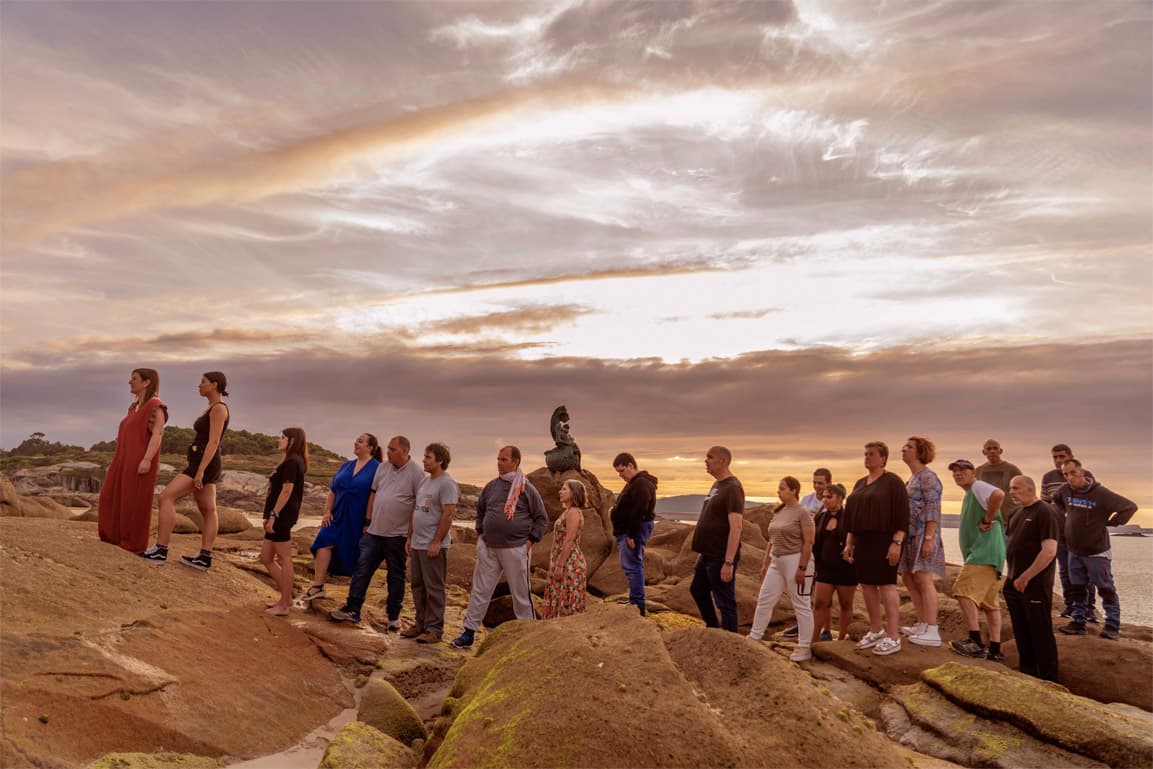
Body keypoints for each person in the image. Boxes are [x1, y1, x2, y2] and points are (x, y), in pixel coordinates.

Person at [451, 446, 548, 648]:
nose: (499, 463)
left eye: (503, 459)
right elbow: (481, 510)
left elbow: (541, 518)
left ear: (515, 462)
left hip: (515, 548)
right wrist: (480, 533)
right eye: (498, 459)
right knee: (480, 590)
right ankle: (468, 633)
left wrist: (530, 541)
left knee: (521, 594)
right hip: (489, 547)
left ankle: (527, 634)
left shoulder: (527, 489)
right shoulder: (491, 487)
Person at [330, 436, 424, 628]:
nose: (388, 452)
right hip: (374, 532)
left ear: (405, 451)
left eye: (392, 449)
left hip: (397, 536)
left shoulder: (417, 474)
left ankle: (393, 617)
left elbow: (417, 507)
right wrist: (367, 521)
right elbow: (373, 494)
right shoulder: (383, 467)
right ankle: (352, 609)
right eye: (388, 449)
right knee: (362, 570)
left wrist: (410, 536)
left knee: (395, 576)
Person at [140, 371, 230, 569]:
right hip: (201, 462)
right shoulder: (211, 407)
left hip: (204, 464)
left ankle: (161, 549)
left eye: (203, 382)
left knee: (166, 497)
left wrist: (200, 471)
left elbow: (214, 442)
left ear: (214, 384)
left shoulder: (219, 409)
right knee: (208, 509)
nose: (199, 385)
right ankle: (204, 557)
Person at [1053, 458, 1138, 640]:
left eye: (1073, 473)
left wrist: (1113, 522)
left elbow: (1130, 507)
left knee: (1105, 588)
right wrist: (1065, 513)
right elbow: (1056, 499)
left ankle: (1112, 626)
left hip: (1097, 552)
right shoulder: (1065, 490)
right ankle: (1078, 622)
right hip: (1074, 550)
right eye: (1065, 474)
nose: (1069, 477)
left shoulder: (1101, 493)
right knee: (1077, 588)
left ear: (1082, 472)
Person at [842, 441, 909, 656]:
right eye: (865, 454)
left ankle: (893, 636)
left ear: (883, 458)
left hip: (885, 539)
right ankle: (875, 630)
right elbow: (851, 517)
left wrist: (896, 542)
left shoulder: (893, 482)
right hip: (862, 540)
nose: (867, 457)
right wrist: (849, 542)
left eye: (871, 454)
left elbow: (902, 515)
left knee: (886, 585)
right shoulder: (860, 483)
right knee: (867, 585)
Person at [302, 434, 382, 602]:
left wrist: (369, 521)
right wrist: (327, 512)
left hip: (358, 519)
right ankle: (318, 586)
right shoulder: (346, 465)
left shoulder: (378, 468)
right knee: (322, 543)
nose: (356, 443)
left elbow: (376, 496)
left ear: (370, 447)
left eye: (360, 441)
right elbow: (333, 490)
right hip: (336, 516)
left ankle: (354, 599)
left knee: (355, 555)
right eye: (356, 440)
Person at [98, 368, 168, 554]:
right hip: (122, 461)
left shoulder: (155, 405)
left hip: (139, 461)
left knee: (133, 501)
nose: (130, 382)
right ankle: (113, 537)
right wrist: (115, 463)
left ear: (146, 382)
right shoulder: (133, 407)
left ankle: (133, 543)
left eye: (134, 378)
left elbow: (158, 434)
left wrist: (147, 459)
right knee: (109, 496)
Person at [749, 477, 815, 662]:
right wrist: (765, 564)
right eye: (779, 488)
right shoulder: (779, 511)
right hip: (776, 561)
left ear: (794, 491)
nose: (779, 491)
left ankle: (804, 647)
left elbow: (809, 542)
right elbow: (772, 540)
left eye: (783, 488)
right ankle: (754, 637)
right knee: (764, 599)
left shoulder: (802, 512)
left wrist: (802, 568)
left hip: (796, 559)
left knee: (801, 604)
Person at [946, 459, 1006, 661]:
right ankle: (995, 650)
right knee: (990, 604)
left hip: (984, 553)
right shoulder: (970, 494)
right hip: (992, 554)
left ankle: (975, 642)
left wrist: (988, 519)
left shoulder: (978, 486)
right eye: (954, 471)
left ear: (973, 472)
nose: (957, 474)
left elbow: (999, 494)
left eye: (962, 470)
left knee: (962, 591)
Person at [401, 442, 459, 643]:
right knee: (417, 585)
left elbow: (448, 514)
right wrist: (409, 537)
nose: (424, 460)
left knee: (434, 587)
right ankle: (420, 624)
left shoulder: (447, 483)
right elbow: (415, 511)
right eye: (424, 456)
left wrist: (436, 541)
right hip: (417, 543)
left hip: (433, 545)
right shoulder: (425, 482)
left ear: (440, 460)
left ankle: (434, 629)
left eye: (428, 457)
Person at [1005, 475, 1060, 681]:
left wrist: (1026, 577)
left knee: (1040, 631)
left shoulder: (1045, 511)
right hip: (1013, 581)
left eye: (1016, 488)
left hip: (1034, 583)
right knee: (1021, 631)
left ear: (1030, 489)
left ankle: (1049, 678)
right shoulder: (1015, 513)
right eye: (1010, 488)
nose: (1012, 492)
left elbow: (1049, 551)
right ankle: (1027, 673)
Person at [689, 446, 744, 633]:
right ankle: (712, 628)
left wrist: (729, 561)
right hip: (707, 554)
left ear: (723, 461)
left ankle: (731, 639)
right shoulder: (718, 485)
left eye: (710, 457)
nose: (706, 461)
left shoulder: (733, 488)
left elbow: (736, 527)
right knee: (697, 590)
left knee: (725, 601)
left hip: (720, 556)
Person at [898, 436, 945, 648]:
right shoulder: (912, 478)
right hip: (909, 536)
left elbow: (933, 508)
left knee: (924, 579)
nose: (904, 449)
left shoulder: (928, 477)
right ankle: (922, 623)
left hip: (923, 534)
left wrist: (929, 538)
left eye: (909, 447)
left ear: (920, 452)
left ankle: (932, 629)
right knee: (909, 578)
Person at [1041, 445, 1098, 620]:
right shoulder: (1048, 477)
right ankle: (1070, 605)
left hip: (1081, 534)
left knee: (1086, 571)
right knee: (1065, 570)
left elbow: (1094, 501)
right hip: (1059, 532)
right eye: (1055, 457)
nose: (1058, 460)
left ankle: (1089, 608)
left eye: (1062, 456)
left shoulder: (1086, 475)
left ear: (1071, 457)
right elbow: (1045, 505)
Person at [261, 428, 308, 616]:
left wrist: (274, 515)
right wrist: (268, 515)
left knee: (285, 558)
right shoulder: (289, 461)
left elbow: (287, 491)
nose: (279, 440)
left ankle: (284, 605)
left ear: (292, 440)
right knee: (266, 558)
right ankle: (287, 597)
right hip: (277, 515)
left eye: (282, 437)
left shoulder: (292, 462)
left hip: (282, 516)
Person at [609, 452, 658, 616]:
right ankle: (634, 600)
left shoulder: (641, 484)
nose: (620, 475)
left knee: (633, 566)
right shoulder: (635, 483)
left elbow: (639, 510)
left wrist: (631, 534)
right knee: (632, 565)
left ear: (630, 465)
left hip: (632, 531)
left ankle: (637, 604)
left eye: (622, 470)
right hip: (628, 530)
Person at [811, 484, 856, 642]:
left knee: (845, 604)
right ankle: (813, 640)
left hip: (846, 569)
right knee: (819, 603)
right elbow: (814, 542)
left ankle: (842, 640)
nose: (825, 500)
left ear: (840, 498)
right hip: (824, 568)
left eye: (829, 497)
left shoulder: (850, 518)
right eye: (823, 497)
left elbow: (856, 539)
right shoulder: (820, 517)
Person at [543, 479, 588, 618]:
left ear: (574, 493)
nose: (560, 492)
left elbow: (569, 540)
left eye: (564, 489)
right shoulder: (568, 511)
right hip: (564, 561)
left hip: (570, 563)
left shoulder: (573, 512)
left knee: (565, 602)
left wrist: (560, 565)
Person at [975, 439, 1023, 527]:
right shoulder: (978, 471)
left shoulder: (1012, 469)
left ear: (1000, 451)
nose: (992, 451)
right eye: (989, 449)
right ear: (984, 452)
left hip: (1009, 520)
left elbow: (1023, 491)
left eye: (995, 448)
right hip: (986, 521)